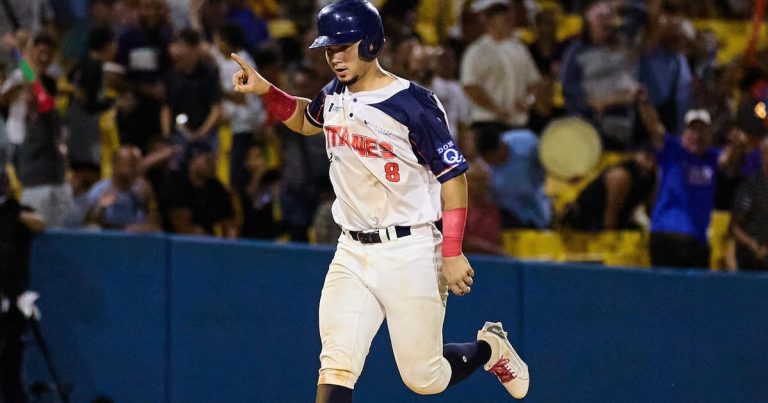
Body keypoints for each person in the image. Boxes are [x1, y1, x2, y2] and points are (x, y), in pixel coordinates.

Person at [229, 1, 529, 401]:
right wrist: (268, 91)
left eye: (345, 46)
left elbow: (454, 179)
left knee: (424, 379)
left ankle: (490, 348)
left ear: (371, 44)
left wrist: (453, 251)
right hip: (351, 249)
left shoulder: (413, 104)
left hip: (411, 250)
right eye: (330, 49)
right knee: (336, 365)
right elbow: (306, 120)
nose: (336, 57)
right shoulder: (334, 92)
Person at [638, 90, 746, 269]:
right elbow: (654, 127)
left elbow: (729, 160)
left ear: (710, 135)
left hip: (694, 237)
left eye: (702, 131)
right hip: (665, 234)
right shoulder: (672, 150)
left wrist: (738, 145)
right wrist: (644, 103)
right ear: (684, 133)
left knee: (694, 294)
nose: (697, 136)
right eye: (693, 130)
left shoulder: (712, 158)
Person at [560, 147, 657, 231]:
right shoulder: (620, 176)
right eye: (647, 158)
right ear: (635, 155)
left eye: (655, 161)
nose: (650, 165)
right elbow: (609, 222)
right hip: (590, 227)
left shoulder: (650, 179)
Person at [476, 125, 551, 229]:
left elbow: (550, 164)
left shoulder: (527, 141)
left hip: (544, 197)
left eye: (489, 158)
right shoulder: (486, 172)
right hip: (517, 216)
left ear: (499, 148)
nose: (488, 163)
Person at [730, 138, 768, 271]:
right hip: (751, 258)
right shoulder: (750, 186)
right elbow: (735, 226)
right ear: (763, 155)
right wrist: (754, 245)